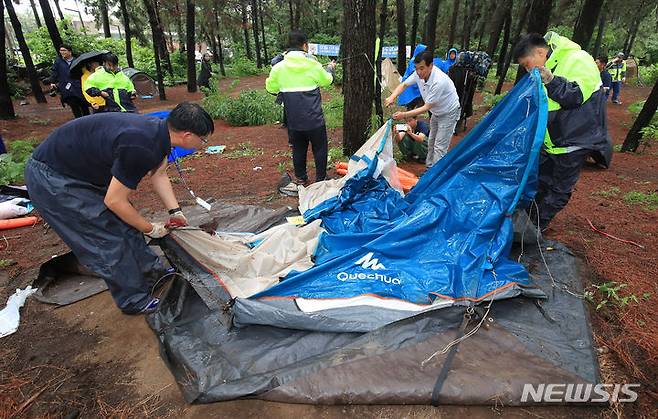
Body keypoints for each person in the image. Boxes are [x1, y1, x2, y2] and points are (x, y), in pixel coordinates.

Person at [24, 103, 214, 314]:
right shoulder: (141, 146)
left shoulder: (160, 133)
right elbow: (114, 201)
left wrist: (175, 211)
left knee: (126, 224)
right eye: (203, 139)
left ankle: (153, 272)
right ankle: (133, 299)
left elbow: (158, 174)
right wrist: (150, 228)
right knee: (106, 238)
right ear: (187, 136)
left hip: (81, 171)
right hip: (54, 178)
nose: (203, 144)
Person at [513, 32, 607, 231]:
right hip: (554, 142)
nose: (528, 69)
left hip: (574, 140)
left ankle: (536, 229)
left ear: (540, 52)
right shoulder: (550, 63)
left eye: (527, 64)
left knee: (559, 189)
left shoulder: (579, 59)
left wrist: (551, 79)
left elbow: (575, 96)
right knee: (541, 182)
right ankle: (529, 223)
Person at [265, 30, 336, 195]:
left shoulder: (279, 67)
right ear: (305, 45)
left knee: (298, 148)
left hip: (294, 120)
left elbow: (271, 88)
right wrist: (331, 69)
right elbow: (327, 81)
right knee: (320, 147)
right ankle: (320, 178)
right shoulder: (313, 64)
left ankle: (301, 178)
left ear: (288, 47)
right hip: (314, 119)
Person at [384, 51, 461, 168]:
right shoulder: (417, 74)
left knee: (440, 146)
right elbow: (404, 84)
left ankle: (435, 177)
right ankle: (429, 169)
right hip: (437, 111)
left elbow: (426, 107)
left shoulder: (438, 81)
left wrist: (403, 115)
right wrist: (392, 97)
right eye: (416, 68)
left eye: (422, 68)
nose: (418, 72)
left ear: (431, 66)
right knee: (431, 142)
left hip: (449, 112)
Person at [50, 44, 90, 119]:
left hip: (78, 86)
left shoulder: (77, 61)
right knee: (73, 105)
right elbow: (54, 71)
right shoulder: (58, 62)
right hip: (66, 87)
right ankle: (78, 120)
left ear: (70, 52)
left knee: (83, 104)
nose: (62, 52)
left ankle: (87, 119)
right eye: (61, 50)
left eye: (64, 50)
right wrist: (52, 82)